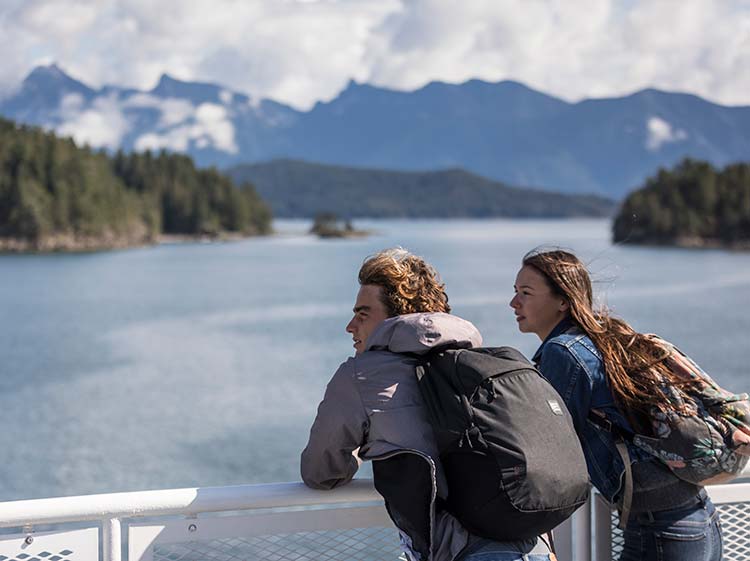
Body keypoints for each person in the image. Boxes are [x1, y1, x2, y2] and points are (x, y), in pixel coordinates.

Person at [302, 248, 552, 561]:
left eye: (362, 314)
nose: (350, 326)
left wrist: (364, 449)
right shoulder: (481, 361)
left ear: (395, 318)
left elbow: (320, 471)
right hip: (537, 547)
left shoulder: (361, 375)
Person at [509, 248, 722, 561]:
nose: (513, 303)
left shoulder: (562, 352)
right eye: (515, 292)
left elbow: (547, 450)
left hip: (662, 531)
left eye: (526, 293)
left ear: (563, 301)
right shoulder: (605, 337)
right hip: (695, 518)